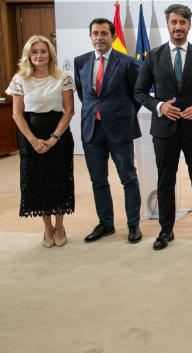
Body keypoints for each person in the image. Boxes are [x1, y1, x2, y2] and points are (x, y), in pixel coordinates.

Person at [134, 4, 192, 250]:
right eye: (174, 22)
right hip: (164, 129)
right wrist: (160, 106)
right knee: (165, 181)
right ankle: (166, 230)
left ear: (189, 25)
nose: (178, 27)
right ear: (168, 25)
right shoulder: (153, 56)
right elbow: (140, 92)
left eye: (183, 22)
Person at [74, 18, 143, 244]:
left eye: (104, 33)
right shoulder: (80, 61)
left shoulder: (127, 62)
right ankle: (106, 224)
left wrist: (120, 113)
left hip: (120, 129)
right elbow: (84, 95)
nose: (99, 37)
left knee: (128, 178)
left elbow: (137, 96)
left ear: (113, 37)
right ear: (90, 36)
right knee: (98, 181)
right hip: (92, 130)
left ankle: (133, 224)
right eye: (95, 33)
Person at [6, 36, 75, 248]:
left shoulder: (63, 77)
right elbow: (17, 115)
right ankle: (47, 227)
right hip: (30, 134)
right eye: (34, 51)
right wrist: (33, 140)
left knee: (59, 179)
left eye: (43, 51)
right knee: (38, 181)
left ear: (50, 54)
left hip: (58, 133)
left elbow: (69, 110)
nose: (38, 55)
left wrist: (54, 138)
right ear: (28, 54)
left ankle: (60, 226)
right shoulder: (20, 79)